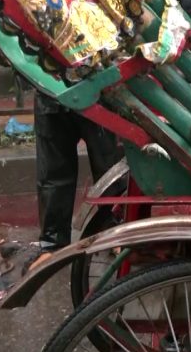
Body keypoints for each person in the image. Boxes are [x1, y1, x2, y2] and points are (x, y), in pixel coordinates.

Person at [34, 92, 124, 250]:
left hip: (97, 89)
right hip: (51, 92)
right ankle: (52, 244)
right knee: (53, 176)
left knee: (111, 173)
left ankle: (115, 234)